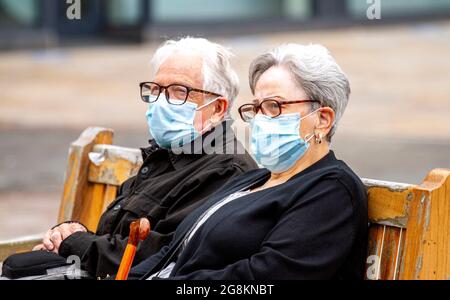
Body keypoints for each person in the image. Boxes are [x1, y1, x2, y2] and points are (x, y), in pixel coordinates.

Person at [126, 43, 368, 280]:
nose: (260, 119)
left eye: (274, 106)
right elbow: (175, 250)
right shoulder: (253, 180)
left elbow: (268, 276)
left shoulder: (331, 191)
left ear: (322, 120)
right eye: (256, 107)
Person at [31, 37, 258, 279]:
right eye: (156, 89)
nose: (161, 101)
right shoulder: (167, 153)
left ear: (217, 109)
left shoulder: (225, 170)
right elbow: (117, 240)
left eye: (179, 91)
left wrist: (74, 242)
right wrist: (70, 234)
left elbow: (158, 258)